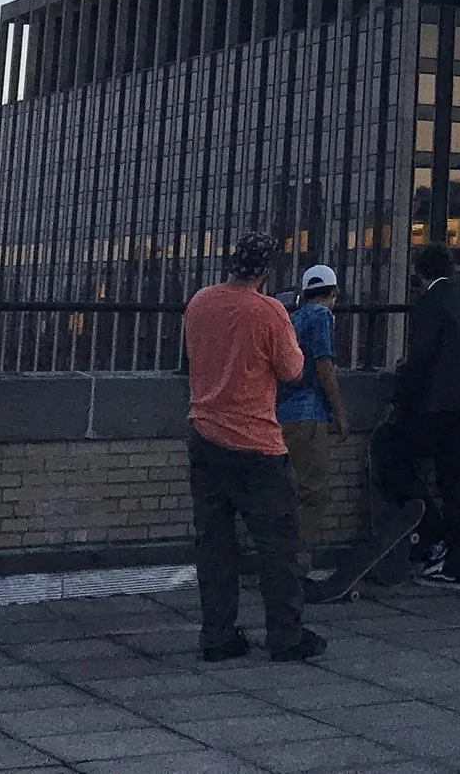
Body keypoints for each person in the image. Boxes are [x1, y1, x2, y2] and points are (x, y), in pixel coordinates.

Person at [181, 232, 326, 663]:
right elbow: (294, 369)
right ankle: (285, 635)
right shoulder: (269, 311)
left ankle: (217, 636)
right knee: (277, 546)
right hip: (257, 446)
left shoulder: (200, 301)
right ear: (266, 271)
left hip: (205, 436)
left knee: (215, 544)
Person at [380, 243, 460, 587]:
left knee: (392, 464)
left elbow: (421, 360)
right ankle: (458, 557)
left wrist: (399, 399)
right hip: (459, 403)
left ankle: (433, 536)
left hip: (428, 407)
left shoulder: (429, 304)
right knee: (453, 481)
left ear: (420, 272)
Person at [275, 264, 349, 579]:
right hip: (309, 415)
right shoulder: (321, 317)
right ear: (334, 294)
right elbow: (324, 368)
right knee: (313, 491)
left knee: (289, 490)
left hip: (283, 413)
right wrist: (340, 413)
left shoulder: (292, 318)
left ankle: (281, 557)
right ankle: (297, 561)